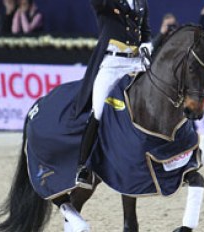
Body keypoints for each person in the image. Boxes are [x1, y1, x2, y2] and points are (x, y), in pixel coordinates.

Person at [74, 0, 152, 190]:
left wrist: (147, 46)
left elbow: (145, 30)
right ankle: (83, 167)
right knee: (98, 111)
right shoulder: (106, 2)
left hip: (136, 63)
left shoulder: (141, 2)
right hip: (112, 64)